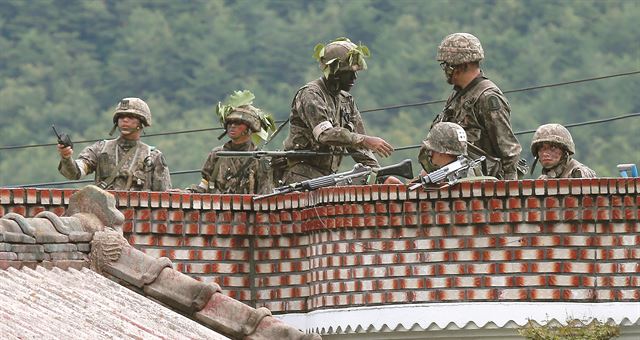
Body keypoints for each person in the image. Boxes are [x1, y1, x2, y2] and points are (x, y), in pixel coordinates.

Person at [281, 37, 394, 184]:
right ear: (335, 72)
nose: (355, 77)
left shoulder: (346, 100)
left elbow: (359, 146)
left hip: (327, 179)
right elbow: (325, 135)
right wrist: (365, 140)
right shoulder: (311, 94)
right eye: (349, 72)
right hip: (300, 178)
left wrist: (382, 176)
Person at [432, 32, 523, 180]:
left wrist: (509, 191)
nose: (445, 70)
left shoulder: (487, 98)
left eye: (448, 66)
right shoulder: (459, 95)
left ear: (464, 65)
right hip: (459, 181)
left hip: (483, 186)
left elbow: (509, 150)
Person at [57, 97, 171, 191]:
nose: (124, 120)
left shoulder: (153, 156)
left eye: (130, 117)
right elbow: (76, 173)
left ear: (142, 122)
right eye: (121, 117)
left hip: (138, 215)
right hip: (104, 213)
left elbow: (164, 199)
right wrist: (66, 157)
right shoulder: (100, 149)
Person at [186, 90, 275, 194]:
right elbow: (204, 186)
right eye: (230, 122)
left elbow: (265, 194)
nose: (232, 126)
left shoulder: (259, 158)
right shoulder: (217, 154)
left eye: (238, 123)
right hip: (219, 208)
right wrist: (187, 192)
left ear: (249, 128)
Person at [530, 123, 596, 179]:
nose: (545, 153)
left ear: (564, 151)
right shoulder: (544, 178)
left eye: (552, 148)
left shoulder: (579, 173)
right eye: (541, 148)